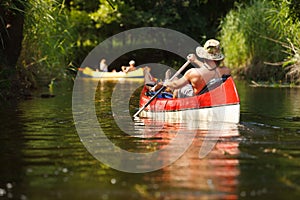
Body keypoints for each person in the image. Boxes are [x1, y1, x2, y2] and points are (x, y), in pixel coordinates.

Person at [163, 39, 231, 98]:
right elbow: (209, 69)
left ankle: (166, 80)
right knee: (180, 82)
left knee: (176, 86)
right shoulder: (226, 71)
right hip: (210, 96)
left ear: (204, 56)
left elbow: (176, 85)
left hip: (195, 99)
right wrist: (195, 60)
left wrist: (168, 83)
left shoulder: (192, 73)